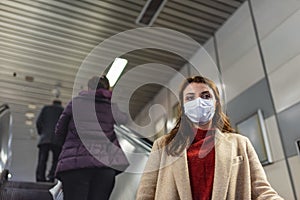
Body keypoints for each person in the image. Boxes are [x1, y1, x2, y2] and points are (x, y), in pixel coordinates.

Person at [136, 75, 283, 200]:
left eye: (206, 96)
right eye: (190, 98)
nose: (199, 101)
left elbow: (261, 191)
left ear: (216, 103)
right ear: (183, 106)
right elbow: (146, 194)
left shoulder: (239, 143)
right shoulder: (163, 146)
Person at [55, 75, 129, 200]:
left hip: (75, 167)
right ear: (108, 88)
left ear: (89, 88)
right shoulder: (111, 107)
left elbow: (59, 131)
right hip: (104, 168)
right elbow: (124, 119)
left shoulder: (76, 103)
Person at [36, 99, 64, 182]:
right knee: (56, 160)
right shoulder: (63, 111)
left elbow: (38, 122)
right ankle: (51, 176)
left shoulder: (46, 109)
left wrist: (42, 133)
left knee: (42, 159)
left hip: (45, 138)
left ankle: (40, 177)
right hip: (58, 140)